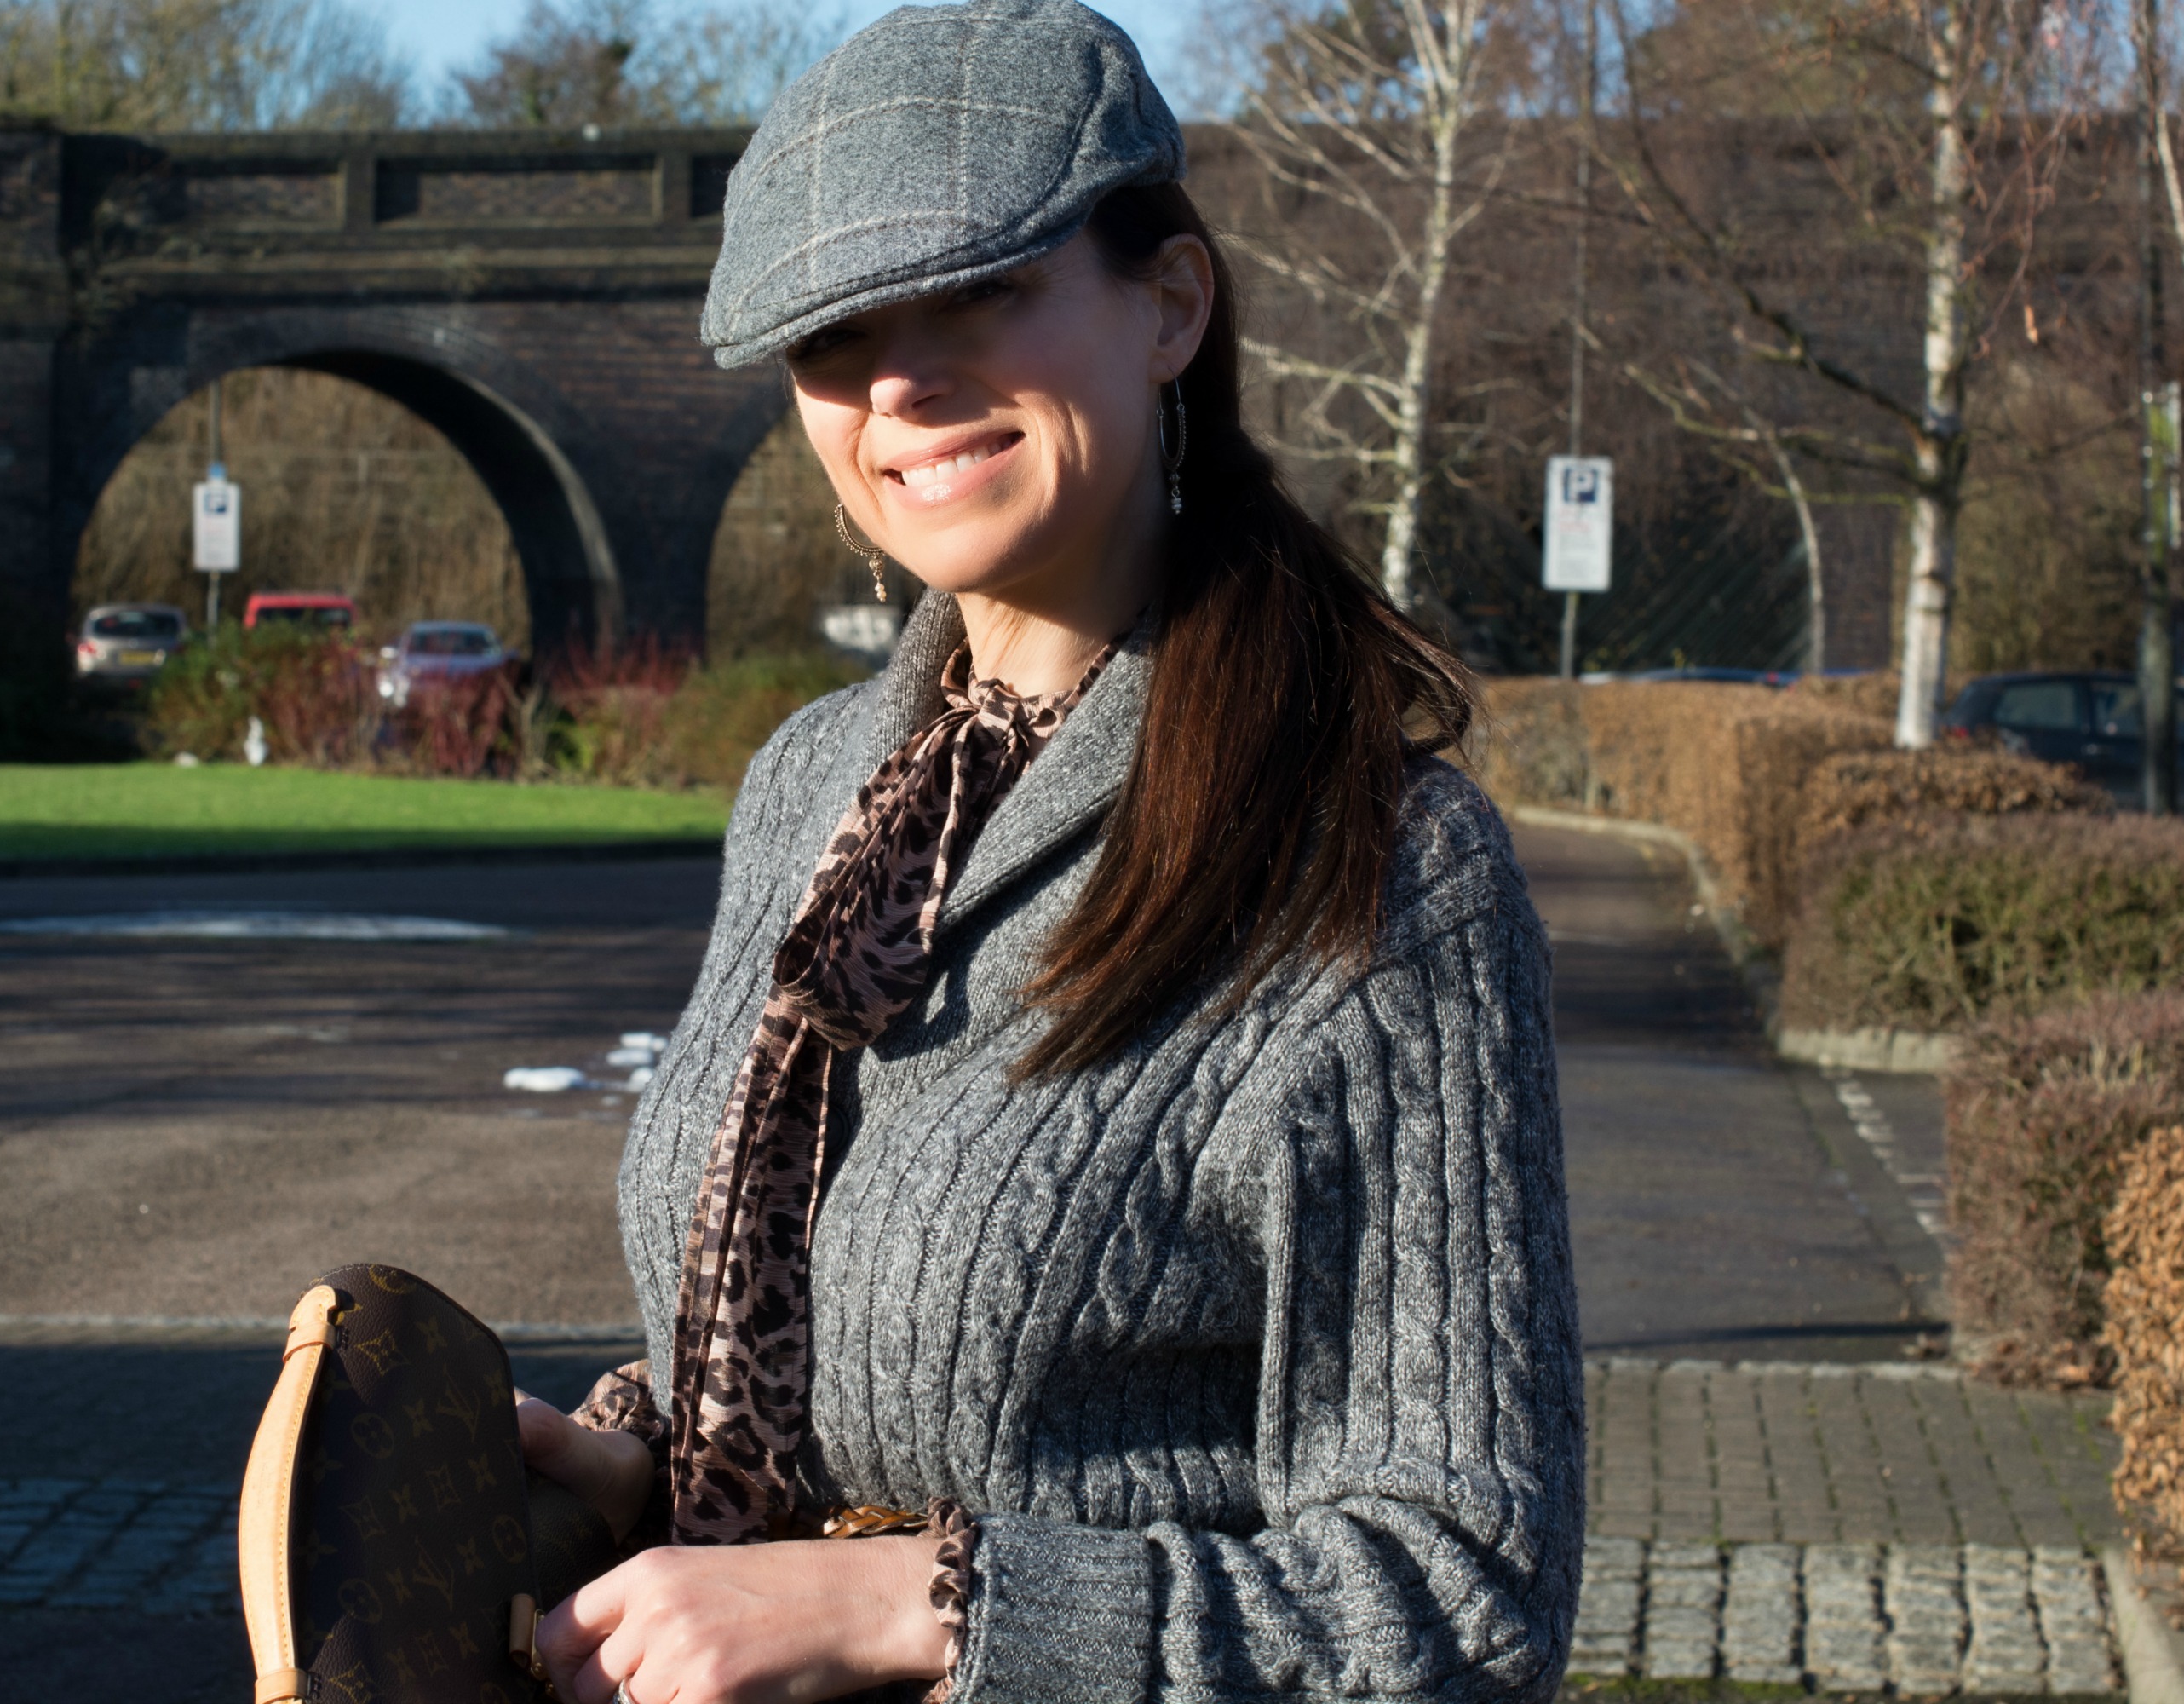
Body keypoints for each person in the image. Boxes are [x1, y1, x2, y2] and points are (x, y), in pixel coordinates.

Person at [515, 2, 1583, 1698]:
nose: (900, 384)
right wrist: (633, 1470)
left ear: (1170, 305)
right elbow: (840, 1365)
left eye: (982, 292)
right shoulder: (809, 789)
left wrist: (918, 1608)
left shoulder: (1371, 862)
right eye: (834, 334)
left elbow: (1461, 1596)